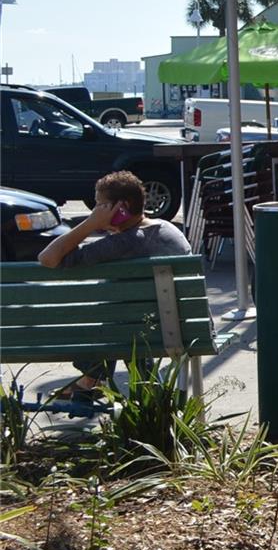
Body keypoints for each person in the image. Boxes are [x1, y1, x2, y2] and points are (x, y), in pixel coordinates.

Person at [37, 170, 191, 402]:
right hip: (184, 328)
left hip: (148, 333)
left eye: (101, 206)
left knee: (119, 320)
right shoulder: (166, 228)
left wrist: (90, 224)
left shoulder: (125, 242)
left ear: (122, 206)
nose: (96, 211)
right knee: (125, 314)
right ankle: (108, 386)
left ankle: (91, 379)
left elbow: (48, 258)